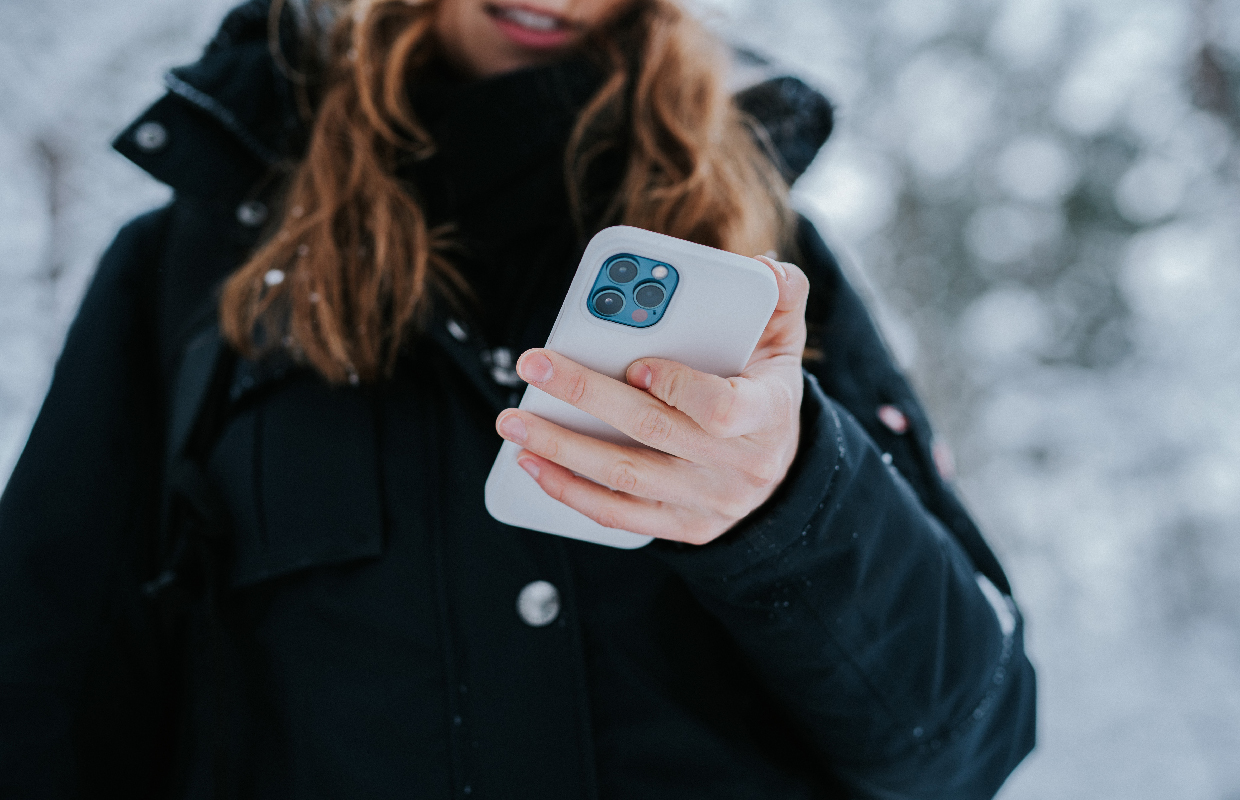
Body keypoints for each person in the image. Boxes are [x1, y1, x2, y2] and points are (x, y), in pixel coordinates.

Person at [0, 0, 1036, 797]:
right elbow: (43, 699)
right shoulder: (189, 270)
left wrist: (787, 501)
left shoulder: (761, 255)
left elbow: (965, 741)